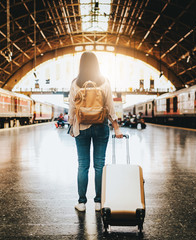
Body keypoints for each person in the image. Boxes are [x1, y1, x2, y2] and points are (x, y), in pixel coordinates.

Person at [68, 51, 123, 212]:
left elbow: (71, 108)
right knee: (99, 165)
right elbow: (110, 107)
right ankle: (99, 202)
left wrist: (72, 126)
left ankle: (82, 203)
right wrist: (116, 127)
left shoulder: (75, 83)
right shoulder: (104, 82)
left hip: (82, 127)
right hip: (100, 126)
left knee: (82, 166)